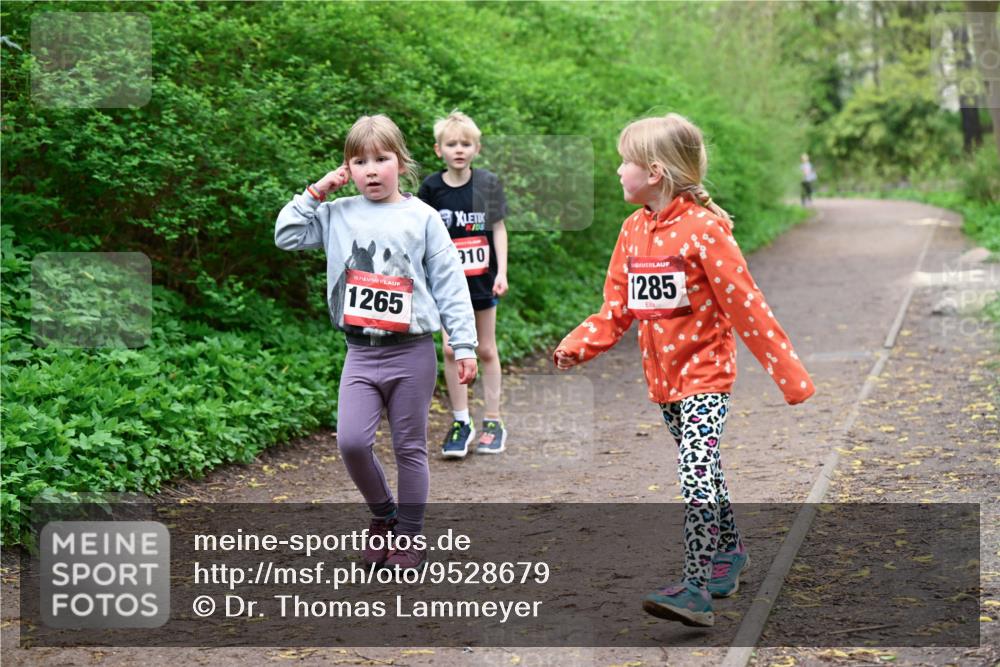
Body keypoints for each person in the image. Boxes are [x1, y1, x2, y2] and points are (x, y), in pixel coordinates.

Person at [553, 113, 815, 627]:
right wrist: (579, 345)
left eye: (623, 162)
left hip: (706, 375)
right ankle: (731, 553)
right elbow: (616, 309)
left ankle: (694, 587)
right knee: (706, 468)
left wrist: (790, 377)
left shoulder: (704, 230)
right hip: (663, 379)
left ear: (653, 171)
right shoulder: (632, 231)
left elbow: (748, 307)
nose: (617, 171)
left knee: (694, 467)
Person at [275, 114, 478, 570]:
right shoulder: (336, 214)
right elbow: (286, 235)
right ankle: (383, 513)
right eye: (359, 161)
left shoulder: (422, 217)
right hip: (360, 354)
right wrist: (317, 192)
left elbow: (449, 283)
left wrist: (463, 344)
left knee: (409, 446)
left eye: (381, 159)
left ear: (400, 163)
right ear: (347, 167)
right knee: (350, 441)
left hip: (412, 353)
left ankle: (409, 536)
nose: (371, 169)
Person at [417, 111, 509, 458]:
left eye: (466, 144)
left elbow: (498, 228)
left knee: (485, 349)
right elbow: (421, 235)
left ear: (477, 148)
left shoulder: (487, 184)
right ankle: (460, 421)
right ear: (439, 149)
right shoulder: (431, 188)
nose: (459, 150)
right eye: (452, 144)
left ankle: (494, 421)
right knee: (453, 350)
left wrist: (502, 272)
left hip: (483, 281)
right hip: (446, 286)